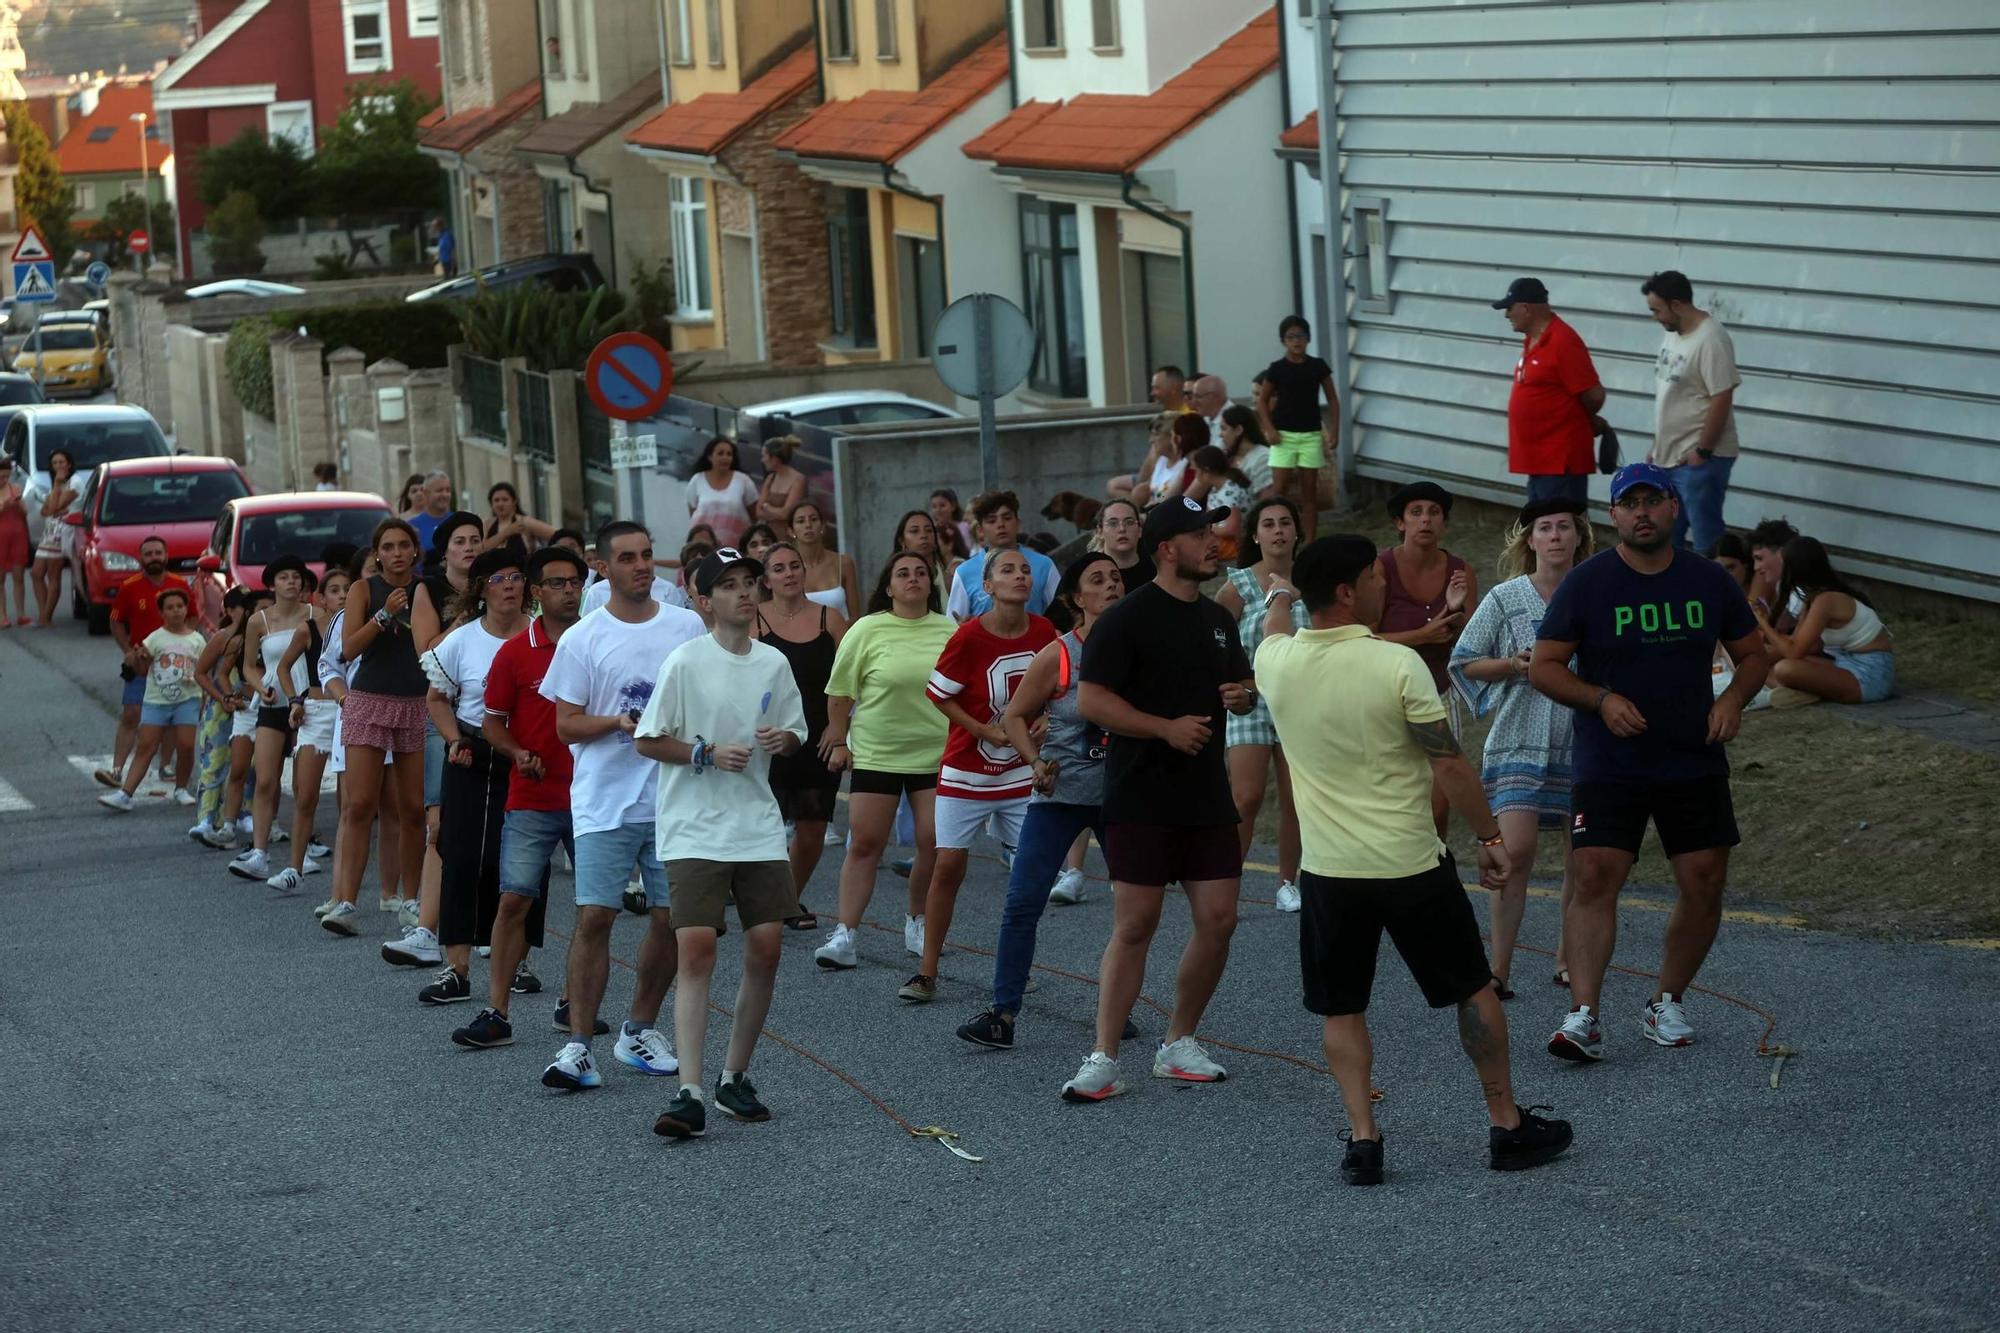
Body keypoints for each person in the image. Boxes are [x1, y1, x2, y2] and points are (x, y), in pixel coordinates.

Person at [1255, 534, 1575, 1183]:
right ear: (1347, 591)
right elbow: (1449, 763)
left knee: (1342, 1006)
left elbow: (1273, 625)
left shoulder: (1274, 661)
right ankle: (1505, 1122)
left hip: (1329, 870)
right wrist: (1489, 840)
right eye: (1375, 576)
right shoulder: (1395, 667)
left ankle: (1363, 1137)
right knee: (1471, 988)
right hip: (1409, 864)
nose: (1385, 585)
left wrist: (1281, 593)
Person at [1530, 462, 1770, 1060]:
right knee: (1593, 878)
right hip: (1611, 761)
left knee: (1704, 881)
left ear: (1673, 508)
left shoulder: (1708, 580)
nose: (1641, 512)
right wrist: (1601, 698)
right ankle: (1583, 1013)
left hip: (1692, 758)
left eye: (1652, 501)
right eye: (1629, 503)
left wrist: (1733, 700)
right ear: (1613, 515)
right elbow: (1544, 667)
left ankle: (1667, 1000)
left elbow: (1754, 655)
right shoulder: (1588, 583)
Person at [1061, 497, 1256, 1103]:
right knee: (1136, 924)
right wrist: (1164, 727)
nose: (1215, 543)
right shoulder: (1127, 617)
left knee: (1219, 919)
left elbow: (1243, 683)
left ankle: (1179, 1043)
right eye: (1201, 534)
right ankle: (1103, 1056)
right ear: (1168, 547)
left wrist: (1243, 696)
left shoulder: (1217, 619)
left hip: (1206, 795)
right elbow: (1091, 701)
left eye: (1215, 532)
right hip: (1140, 793)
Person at [634, 547, 809, 1137]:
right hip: (693, 827)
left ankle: (734, 1078)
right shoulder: (685, 661)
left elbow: (795, 729)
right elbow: (648, 740)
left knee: (767, 948)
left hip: (756, 824)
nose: (743, 592)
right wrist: (704, 752)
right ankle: (689, 1091)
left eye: (748, 583)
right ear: (704, 600)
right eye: (728, 585)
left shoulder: (773, 665)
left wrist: (785, 739)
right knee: (697, 950)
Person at [537, 521, 703, 1092]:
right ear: (602, 568)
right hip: (604, 800)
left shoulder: (685, 626)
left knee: (670, 919)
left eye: (648, 556)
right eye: (628, 557)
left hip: (673, 798)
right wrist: (619, 721)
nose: (640, 566)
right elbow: (565, 726)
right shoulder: (584, 636)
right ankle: (579, 1047)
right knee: (595, 918)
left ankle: (639, 1031)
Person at [956, 552, 1125, 1050]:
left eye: (1116, 577)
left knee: (1134, 913)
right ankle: (1003, 1015)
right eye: (1098, 580)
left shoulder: (1141, 649)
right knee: (1023, 901)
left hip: (1122, 798)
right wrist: (1033, 762)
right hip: (1061, 795)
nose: (1111, 585)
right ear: (1077, 598)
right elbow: (1014, 716)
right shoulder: (1059, 653)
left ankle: (1119, 1008)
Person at [1448, 498, 1594, 996]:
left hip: (1582, 738)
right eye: (1545, 528)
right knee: (1516, 851)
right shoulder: (1506, 597)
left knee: (1583, 856)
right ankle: (1499, 968)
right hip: (1518, 736)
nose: (1555, 536)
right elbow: (1464, 661)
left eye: (1564, 527)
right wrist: (1513, 664)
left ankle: (1567, 956)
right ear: (1529, 541)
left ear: (1579, 536)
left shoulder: (1596, 590)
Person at [902, 548, 1058, 1004]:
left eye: (1026, 570)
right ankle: (927, 970)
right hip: (967, 770)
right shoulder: (969, 636)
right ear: (986, 587)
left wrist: (1046, 717)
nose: (1020, 576)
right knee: (948, 864)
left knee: (1028, 874)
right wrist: (981, 729)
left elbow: (1057, 687)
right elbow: (939, 694)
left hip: (1019, 773)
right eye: (1007, 570)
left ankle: (1013, 967)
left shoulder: (1045, 632)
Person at [449, 545, 582, 1050]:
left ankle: (574, 1003)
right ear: (536, 590)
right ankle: (496, 1011)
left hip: (593, 798)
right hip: (531, 795)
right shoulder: (513, 652)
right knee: (513, 901)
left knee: (593, 908)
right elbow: (491, 722)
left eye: (575, 582)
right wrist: (517, 752)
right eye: (557, 582)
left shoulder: (596, 641)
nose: (568, 590)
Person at [811, 551, 957, 971]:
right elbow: (840, 692)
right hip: (878, 751)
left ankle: (917, 923)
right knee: (865, 843)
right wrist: (839, 740)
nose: (912, 579)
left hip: (935, 752)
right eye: (902, 574)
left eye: (920, 573)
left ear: (930, 585)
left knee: (933, 842)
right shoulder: (867, 629)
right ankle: (845, 935)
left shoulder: (949, 630)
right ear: (889, 587)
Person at [409, 547, 533, 1005]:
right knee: (460, 858)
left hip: (527, 757)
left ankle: (517, 963)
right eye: (498, 579)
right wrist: (452, 740)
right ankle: (456, 968)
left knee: (519, 863)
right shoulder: (461, 640)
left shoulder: (543, 637)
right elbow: (437, 700)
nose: (509, 586)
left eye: (516, 577)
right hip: (471, 751)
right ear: (481, 588)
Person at [322, 519, 431, 936]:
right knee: (361, 803)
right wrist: (384, 616)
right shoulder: (362, 590)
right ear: (378, 553)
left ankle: (410, 899)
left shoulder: (425, 589)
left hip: (416, 701)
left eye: (405, 545)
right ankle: (345, 902)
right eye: (388, 547)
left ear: (415, 551)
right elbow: (347, 649)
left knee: (412, 806)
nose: (397, 553)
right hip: (367, 699)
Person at [1214, 497, 1309, 912]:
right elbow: (1214, 641)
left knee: (1297, 799)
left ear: (1297, 532)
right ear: (1255, 535)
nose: (1278, 531)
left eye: (1285, 522)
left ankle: (1289, 882)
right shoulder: (1238, 585)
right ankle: (1225, 881)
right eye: (1268, 524)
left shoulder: (1314, 579)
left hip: (1302, 704)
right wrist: (1232, 685)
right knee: (1246, 797)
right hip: (1250, 699)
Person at [1375, 482, 1478, 833]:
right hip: (1386, 696)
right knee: (1391, 799)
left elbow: (1471, 642)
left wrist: (1456, 608)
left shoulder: (1460, 571)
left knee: (1437, 804)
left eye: (1434, 512)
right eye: (1416, 512)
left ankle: (1436, 873)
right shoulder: (1381, 568)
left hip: (1438, 694)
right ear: (1400, 523)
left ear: (1444, 524)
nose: (1425, 520)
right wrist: (1422, 635)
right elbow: (1364, 638)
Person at [757, 541, 847, 929]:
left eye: (795, 566)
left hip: (819, 734)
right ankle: (760, 900)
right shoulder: (753, 620)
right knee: (763, 827)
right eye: (779, 568)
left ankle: (787, 902)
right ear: (766, 579)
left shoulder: (831, 618)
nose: (790, 573)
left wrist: (840, 725)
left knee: (812, 827)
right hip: (766, 736)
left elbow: (851, 676)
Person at [1643, 270, 1741, 555]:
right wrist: (1657, 447)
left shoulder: (1711, 339)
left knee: (1705, 539)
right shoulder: (1674, 335)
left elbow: (1721, 395)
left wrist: (1703, 450)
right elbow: (1672, 396)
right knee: (1665, 538)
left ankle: (1710, 597)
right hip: (1668, 457)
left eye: (1657, 310)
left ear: (1677, 305)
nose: (1655, 317)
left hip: (1699, 461)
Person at [266, 563, 348, 892]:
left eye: (347, 590)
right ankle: (294, 868)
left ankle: (343, 877)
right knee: (306, 795)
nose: (342, 595)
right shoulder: (309, 628)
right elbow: (284, 668)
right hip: (316, 711)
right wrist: (295, 700)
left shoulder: (362, 628)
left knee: (350, 802)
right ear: (321, 598)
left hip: (349, 712)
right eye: (335, 590)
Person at [230, 556, 313, 880]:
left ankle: (301, 854)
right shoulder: (258, 620)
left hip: (307, 706)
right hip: (272, 703)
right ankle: (260, 853)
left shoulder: (315, 615)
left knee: (303, 786)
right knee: (265, 779)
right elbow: (249, 664)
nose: (291, 582)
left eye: (296, 576)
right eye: (284, 577)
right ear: (272, 584)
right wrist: (258, 686)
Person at [1495, 277, 1606, 504]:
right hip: (1540, 461)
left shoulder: (1562, 341)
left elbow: (1594, 394)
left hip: (1558, 461)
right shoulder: (1534, 340)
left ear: (1526, 308)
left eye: (1509, 308)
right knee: (1540, 529)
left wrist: (1579, 419)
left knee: (1560, 529)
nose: (1506, 315)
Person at [98, 586, 206, 810]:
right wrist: (138, 659)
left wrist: (204, 699)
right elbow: (141, 669)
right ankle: (125, 795)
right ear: (162, 613)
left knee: (186, 746)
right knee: (146, 745)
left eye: (180, 606)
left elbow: (203, 672)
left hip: (188, 700)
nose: (176, 611)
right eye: (170, 608)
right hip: (156, 701)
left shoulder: (197, 640)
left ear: (187, 609)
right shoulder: (155, 638)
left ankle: (181, 789)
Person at [99, 537, 192, 790]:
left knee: (172, 715)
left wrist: (184, 647)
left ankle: (166, 765)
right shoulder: (129, 587)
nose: (154, 557)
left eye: (158, 552)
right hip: (140, 663)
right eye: (148, 553)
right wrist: (127, 650)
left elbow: (192, 618)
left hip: (171, 662)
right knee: (131, 714)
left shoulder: (180, 584)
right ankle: (116, 770)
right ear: (141, 558)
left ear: (166, 554)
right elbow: (116, 621)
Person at [1757, 536, 1896, 704]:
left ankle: (1800, 691)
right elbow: (1796, 643)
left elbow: (1794, 652)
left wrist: (1761, 622)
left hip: (1870, 675)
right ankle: (1802, 692)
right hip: (1843, 662)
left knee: (1784, 668)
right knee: (1760, 661)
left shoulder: (1827, 600)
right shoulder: (1813, 598)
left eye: (1783, 565)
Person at [1255, 315, 1339, 539]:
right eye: (1291, 337)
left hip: (1311, 435)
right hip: (1283, 437)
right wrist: (1270, 430)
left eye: (1300, 336)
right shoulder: (1277, 369)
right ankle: (1278, 535)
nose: (1296, 341)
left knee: (1309, 492)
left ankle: (1310, 540)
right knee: (1279, 490)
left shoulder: (1318, 366)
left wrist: (1334, 431)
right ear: (1283, 341)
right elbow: (1262, 401)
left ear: (1308, 339)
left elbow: (1332, 399)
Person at [186, 588, 252, 845]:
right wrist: (221, 697)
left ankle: (244, 813)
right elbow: (201, 673)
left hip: (248, 708)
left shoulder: (258, 636)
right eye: (243, 607)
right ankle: (205, 819)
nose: (247, 612)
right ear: (230, 610)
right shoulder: (223, 637)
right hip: (220, 712)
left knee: (249, 766)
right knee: (214, 763)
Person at [946, 491, 1060, 620]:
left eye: (1007, 518)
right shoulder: (964, 572)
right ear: (980, 530)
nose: (1000, 525)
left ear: (1018, 523)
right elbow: (953, 624)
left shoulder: (1044, 565)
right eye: (991, 520)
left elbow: (1062, 617)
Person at [31, 447, 79, 626]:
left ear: (69, 464)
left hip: (62, 533)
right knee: (36, 573)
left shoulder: (74, 482)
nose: (58, 466)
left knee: (53, 575)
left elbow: (53, 507)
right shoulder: (56, 483)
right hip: (48, 532)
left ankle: (46, 617)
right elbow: (46, 511)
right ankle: (44, 613)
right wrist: (56, 489)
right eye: (55, 463)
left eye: (61, 462)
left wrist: (56, 491)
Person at [788, 500, 859, 619]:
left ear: (823, 526)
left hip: (842, 636)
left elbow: (855, 617)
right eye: (801, 521)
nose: (808, 525)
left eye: (814, 519)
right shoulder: (787, 570)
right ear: (791, 531)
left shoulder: (844, 564)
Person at [686, 438, 760, 549]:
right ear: (710, 457)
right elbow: (692, 512)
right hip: (703, 547)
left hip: (735, 546)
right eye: (720, 453)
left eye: (729, 454)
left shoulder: (743, 481)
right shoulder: (697, 480)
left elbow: (754, 516)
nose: (725, 457)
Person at [1184, 447, 1254, 561]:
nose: (1195, 476)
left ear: (1206, 471)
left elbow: (1232, 528)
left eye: (1196, 471)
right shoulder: (1217, 488)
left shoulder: (1229, 492)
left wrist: (1206, 529)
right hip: (1221, 539)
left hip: (1233, 545)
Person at [1133, 415, 1207, 509]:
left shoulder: (1200, 467)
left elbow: (1182, 502)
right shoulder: (1188, 465)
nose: (1151, 440)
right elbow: (1166, 497)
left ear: (1180, 439)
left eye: (1174, 436)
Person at [1107, 413, 1175, 505]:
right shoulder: (1162, 461)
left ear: (1173, 437)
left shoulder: (1182, 468)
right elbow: (1155, 494)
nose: (1150, 440)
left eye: (1156, 435)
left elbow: (1161, 499)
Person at [1089, 498, 1153, 592]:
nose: (1122, 529)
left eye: (1129, 522)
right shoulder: (1092, 576)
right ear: (1100, 532)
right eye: (1113, 523)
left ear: (1140, 530)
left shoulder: (1157, 561)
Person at [482, 481, 556, 558]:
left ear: (514, 501)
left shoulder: (524, 522)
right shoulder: (486, 524)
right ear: (491, 503)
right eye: (496, 500)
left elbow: (556, 534)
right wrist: (508, 531)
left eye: (505, 499)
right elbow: (481, 549)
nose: (500, 504)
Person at [1746, 518, 1798, 622]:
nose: (1756, 567)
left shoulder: (1802, 591)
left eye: (1759, 558)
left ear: (1782, 553)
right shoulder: (1781, 585)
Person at [893, 508, 958, 592]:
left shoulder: (951, 575)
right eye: (914, 531)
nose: (923, 535)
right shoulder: (893, 578)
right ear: (902, 541)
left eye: (929, 530)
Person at [1218, 404, 1274, 499]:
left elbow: (1266, 502)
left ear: (1239, 430)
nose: (1220, 434)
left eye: (1224, 429)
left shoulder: (1263, 458)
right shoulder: (1228, 456)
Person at [757, 437, 809, 535]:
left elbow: (786, 514)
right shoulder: (770, 479)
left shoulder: (798, 480)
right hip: (769, 535)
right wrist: (777, 513)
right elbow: (758, 512)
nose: (762, 460)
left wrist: (767, 507)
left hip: (789, 535)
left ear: (775, 459)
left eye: (764, 456)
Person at [0, 457, 28, 626]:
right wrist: (4, 505)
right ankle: (2, 616)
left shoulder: (15, 488)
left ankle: (21, 613)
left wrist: (18, 504)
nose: (4, 480)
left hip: (18, 535)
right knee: (0, 577)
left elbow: (25, 512)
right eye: (1, 477)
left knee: (19, 575)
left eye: (6, 476)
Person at [406, 471, 455, 552]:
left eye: (448, 490)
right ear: (425, 493)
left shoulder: (458, 522)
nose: (445, 495)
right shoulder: (412, 527)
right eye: (439, 490)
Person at [928, 488, 973, 561]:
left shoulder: (964, 526)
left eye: (942, 505)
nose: (938, 510)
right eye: (934, 506)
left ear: (953, 506)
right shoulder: (932, 529)